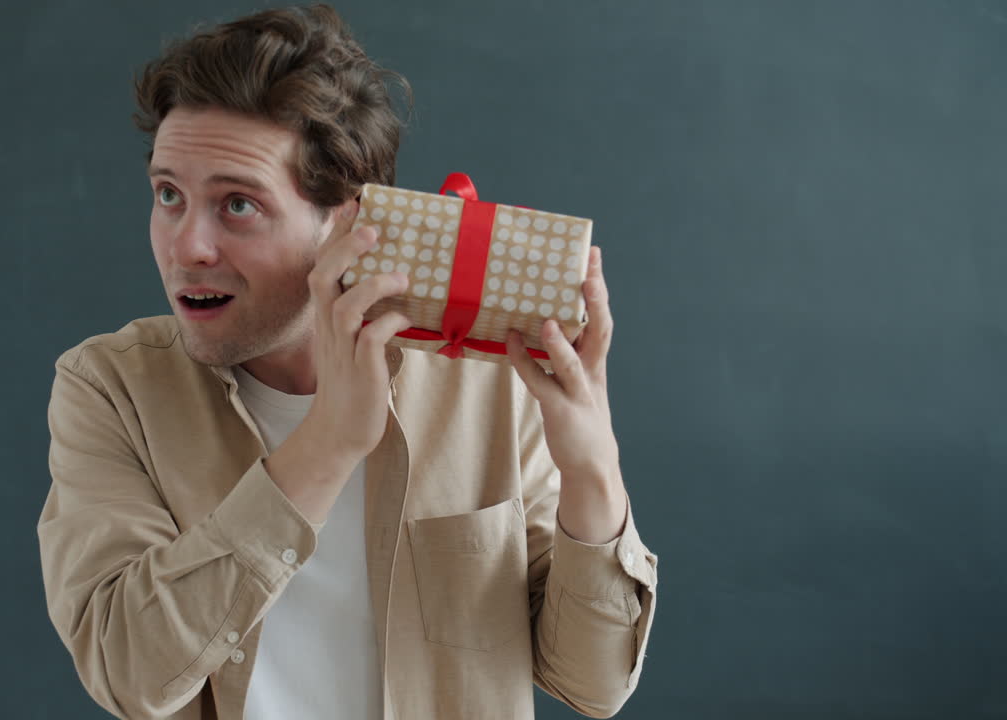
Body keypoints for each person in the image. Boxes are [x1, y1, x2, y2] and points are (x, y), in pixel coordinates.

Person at [37, 4, 659, 719]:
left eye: (237, 205)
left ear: (351, 221)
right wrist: (328, 444)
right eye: (168, 195)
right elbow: (129, 675)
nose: (187, 247)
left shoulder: (488, 383)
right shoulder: (109, 389)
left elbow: (594, 683)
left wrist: (593, 472)